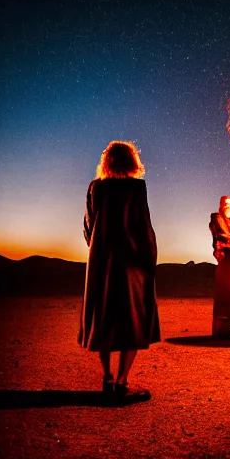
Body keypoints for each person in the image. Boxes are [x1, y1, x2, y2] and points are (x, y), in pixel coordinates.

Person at [79, 141, 160, 400]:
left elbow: (88, 226)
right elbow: (143, 225)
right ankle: (122, 383)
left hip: (101, 261)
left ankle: (107, 378)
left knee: (104, 316)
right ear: (131, 161)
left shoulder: (96, 187)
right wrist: (149, 259)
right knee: (131, 318)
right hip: (130, 262)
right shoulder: (136, 187)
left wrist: (99, 249)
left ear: (108, 161)